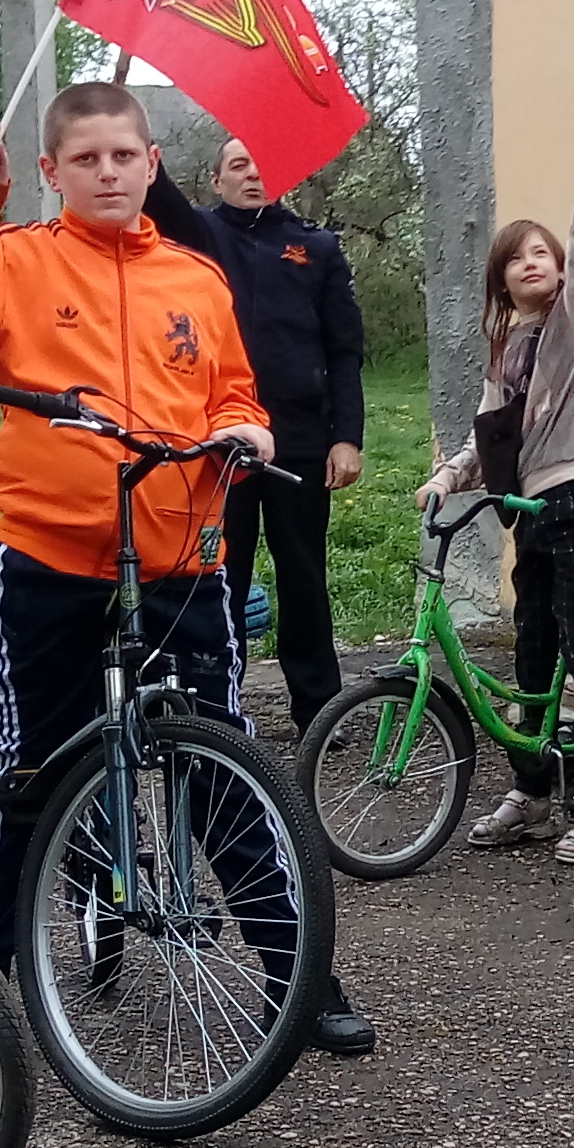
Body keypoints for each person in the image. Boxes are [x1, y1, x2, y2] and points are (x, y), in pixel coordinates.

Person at [0, 84, 376, 1059]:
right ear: (51, 171)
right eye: (85, 158)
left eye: (122, 156)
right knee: (21, 772)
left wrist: (246, 427)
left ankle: (295, 972)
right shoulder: (11, 257)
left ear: (151, 164)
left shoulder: (194, 273)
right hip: (46, 562)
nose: (106, 172)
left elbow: (233, 388)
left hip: (181, 562)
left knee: (219, 762)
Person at [425, 127, 574, 866]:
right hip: (533, 515)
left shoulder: (569, 328)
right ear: (502, 282)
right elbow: (490, 441)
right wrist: (448, 479)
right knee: (534, 654)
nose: (532, 264)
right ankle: (536, 793)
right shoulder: (507, 350)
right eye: (516, 259)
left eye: (539, 253)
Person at [179, 136, 368, 731]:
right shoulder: (199, 237)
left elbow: (344, 351)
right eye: (239, 165)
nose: (254, 173)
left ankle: (318, 712)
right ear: (217, 180)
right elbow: (152, 199)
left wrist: (348, 437)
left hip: (302, 440)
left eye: (264, 163)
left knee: (303, 576)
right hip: (221, 441)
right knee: (220, 576)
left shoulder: (316, 246)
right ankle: (214, 710)